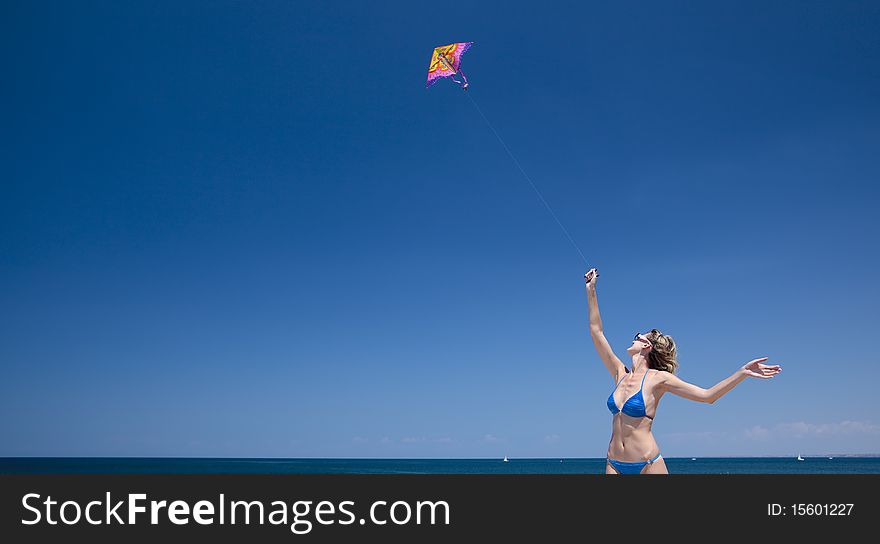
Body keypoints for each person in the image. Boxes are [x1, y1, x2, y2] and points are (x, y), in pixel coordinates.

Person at [583, 268, 781, 474]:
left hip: (647, 464)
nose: (633, 337)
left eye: (638, 336)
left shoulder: (659, 379)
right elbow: (596, 332)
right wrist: (591, 290)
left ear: (646, 346)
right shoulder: (619, 374)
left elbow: (707, 396)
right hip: (613, 463)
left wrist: (742, 373)